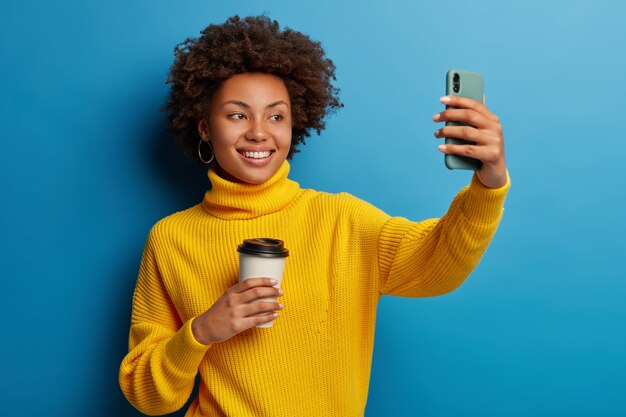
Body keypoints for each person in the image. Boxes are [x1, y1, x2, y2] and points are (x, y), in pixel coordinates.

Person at [119, 15, 509, 417]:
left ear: (294, 124)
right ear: (204, 126)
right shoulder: (171, 239)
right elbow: (147, 396)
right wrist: (202, 332)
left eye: (276, 116)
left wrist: (489, 182)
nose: (258, 132)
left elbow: (438, 264)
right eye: (237, 115)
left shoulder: (341, 220)